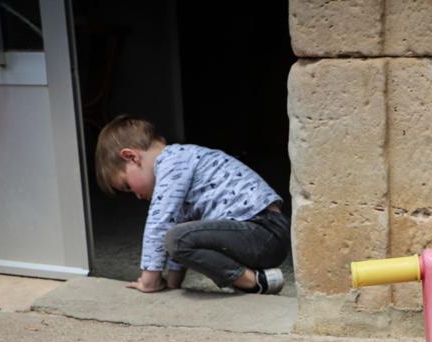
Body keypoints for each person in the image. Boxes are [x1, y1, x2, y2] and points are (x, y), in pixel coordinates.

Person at [94, 115, 289, 294]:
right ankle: (253, 281)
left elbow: (160, 224)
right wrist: (172, 285)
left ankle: (254, 282)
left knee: (176, 237)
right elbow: (181, 232)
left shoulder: (172, 162)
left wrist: (149, 280)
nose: (136, 195)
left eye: (127, 186)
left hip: (263, 230)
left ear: (131, 157)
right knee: (180, 235)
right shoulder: (179, 170)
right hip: (258, 234)